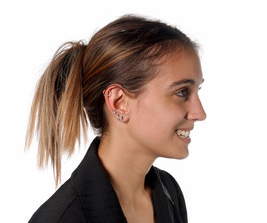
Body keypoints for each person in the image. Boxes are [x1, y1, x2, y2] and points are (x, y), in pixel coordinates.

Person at [26, 15, 206, 223]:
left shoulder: (168, 192)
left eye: (197, 90)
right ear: (119, 102)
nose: (199, 113)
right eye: (182, 92)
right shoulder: (61, 219)